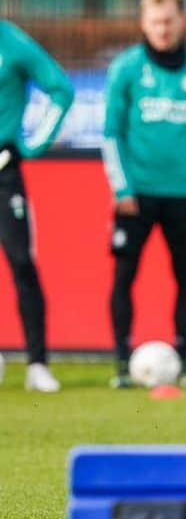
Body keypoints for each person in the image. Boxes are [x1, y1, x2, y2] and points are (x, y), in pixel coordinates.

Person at [102, 0, 186, 388]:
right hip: (135, 196)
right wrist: (121, 189)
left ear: (182, 21)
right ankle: (123, 362)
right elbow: (110, 134)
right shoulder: (124, 69)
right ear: (144, 23)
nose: (163, 29)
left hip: (184, 197)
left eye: (169, 20)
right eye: (155, 22)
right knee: (124, 277)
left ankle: (182, 361)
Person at [0, 20, 73, 392]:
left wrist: (31, 145)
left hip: (4, 174)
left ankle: (37, 364)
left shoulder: (13, 43)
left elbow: (60, 89)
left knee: (21, 263)